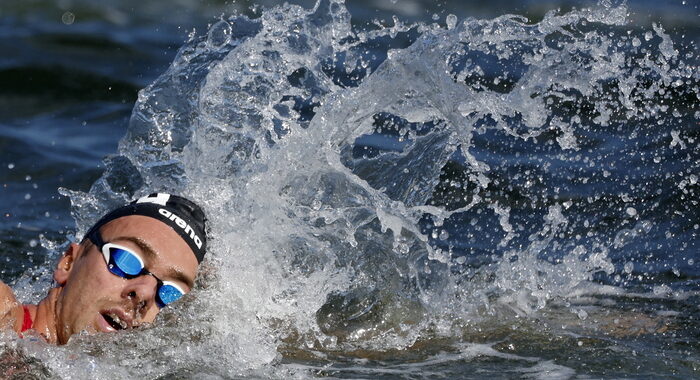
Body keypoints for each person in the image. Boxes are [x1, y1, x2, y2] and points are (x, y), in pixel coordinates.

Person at [0, 193, 207, 345]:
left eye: (170, 293)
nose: (144, 293)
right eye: (127, 260)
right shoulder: (6, 320)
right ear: (69, 263)